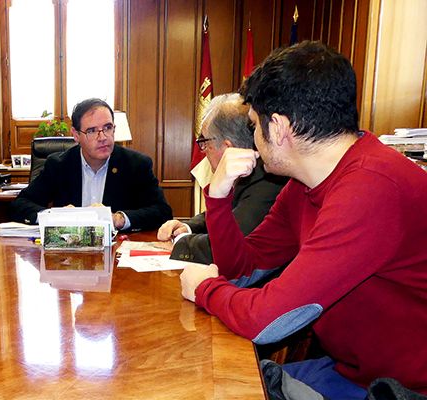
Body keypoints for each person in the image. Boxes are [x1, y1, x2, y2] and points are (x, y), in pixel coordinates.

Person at [180, 41, 427, 397]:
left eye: (254, 126)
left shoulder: (371, 187)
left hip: (402, 389)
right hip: (353, 373)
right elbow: (244, 270)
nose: (253, 139)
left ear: (277, 127)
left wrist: (204, 288)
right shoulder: (303, 185)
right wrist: (217, 199)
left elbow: (267, 322)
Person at [156, 93, 286, 264]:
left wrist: (181, 243)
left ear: (227, 147)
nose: (203, 151)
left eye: (205, 143)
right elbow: (229, 213)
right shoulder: (252, 173)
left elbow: (228, 246)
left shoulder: (268, 182)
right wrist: (187, 227)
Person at [10, 98, 172, 231]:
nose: (102, 137)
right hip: (68, 257)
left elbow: (162, 212)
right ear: (76, 135)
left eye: (107, 128)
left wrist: (120, 218)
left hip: (117, 257)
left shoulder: (136, 164)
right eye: (92, 131)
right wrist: (53, 216)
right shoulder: (59, 165)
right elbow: (20, 204)